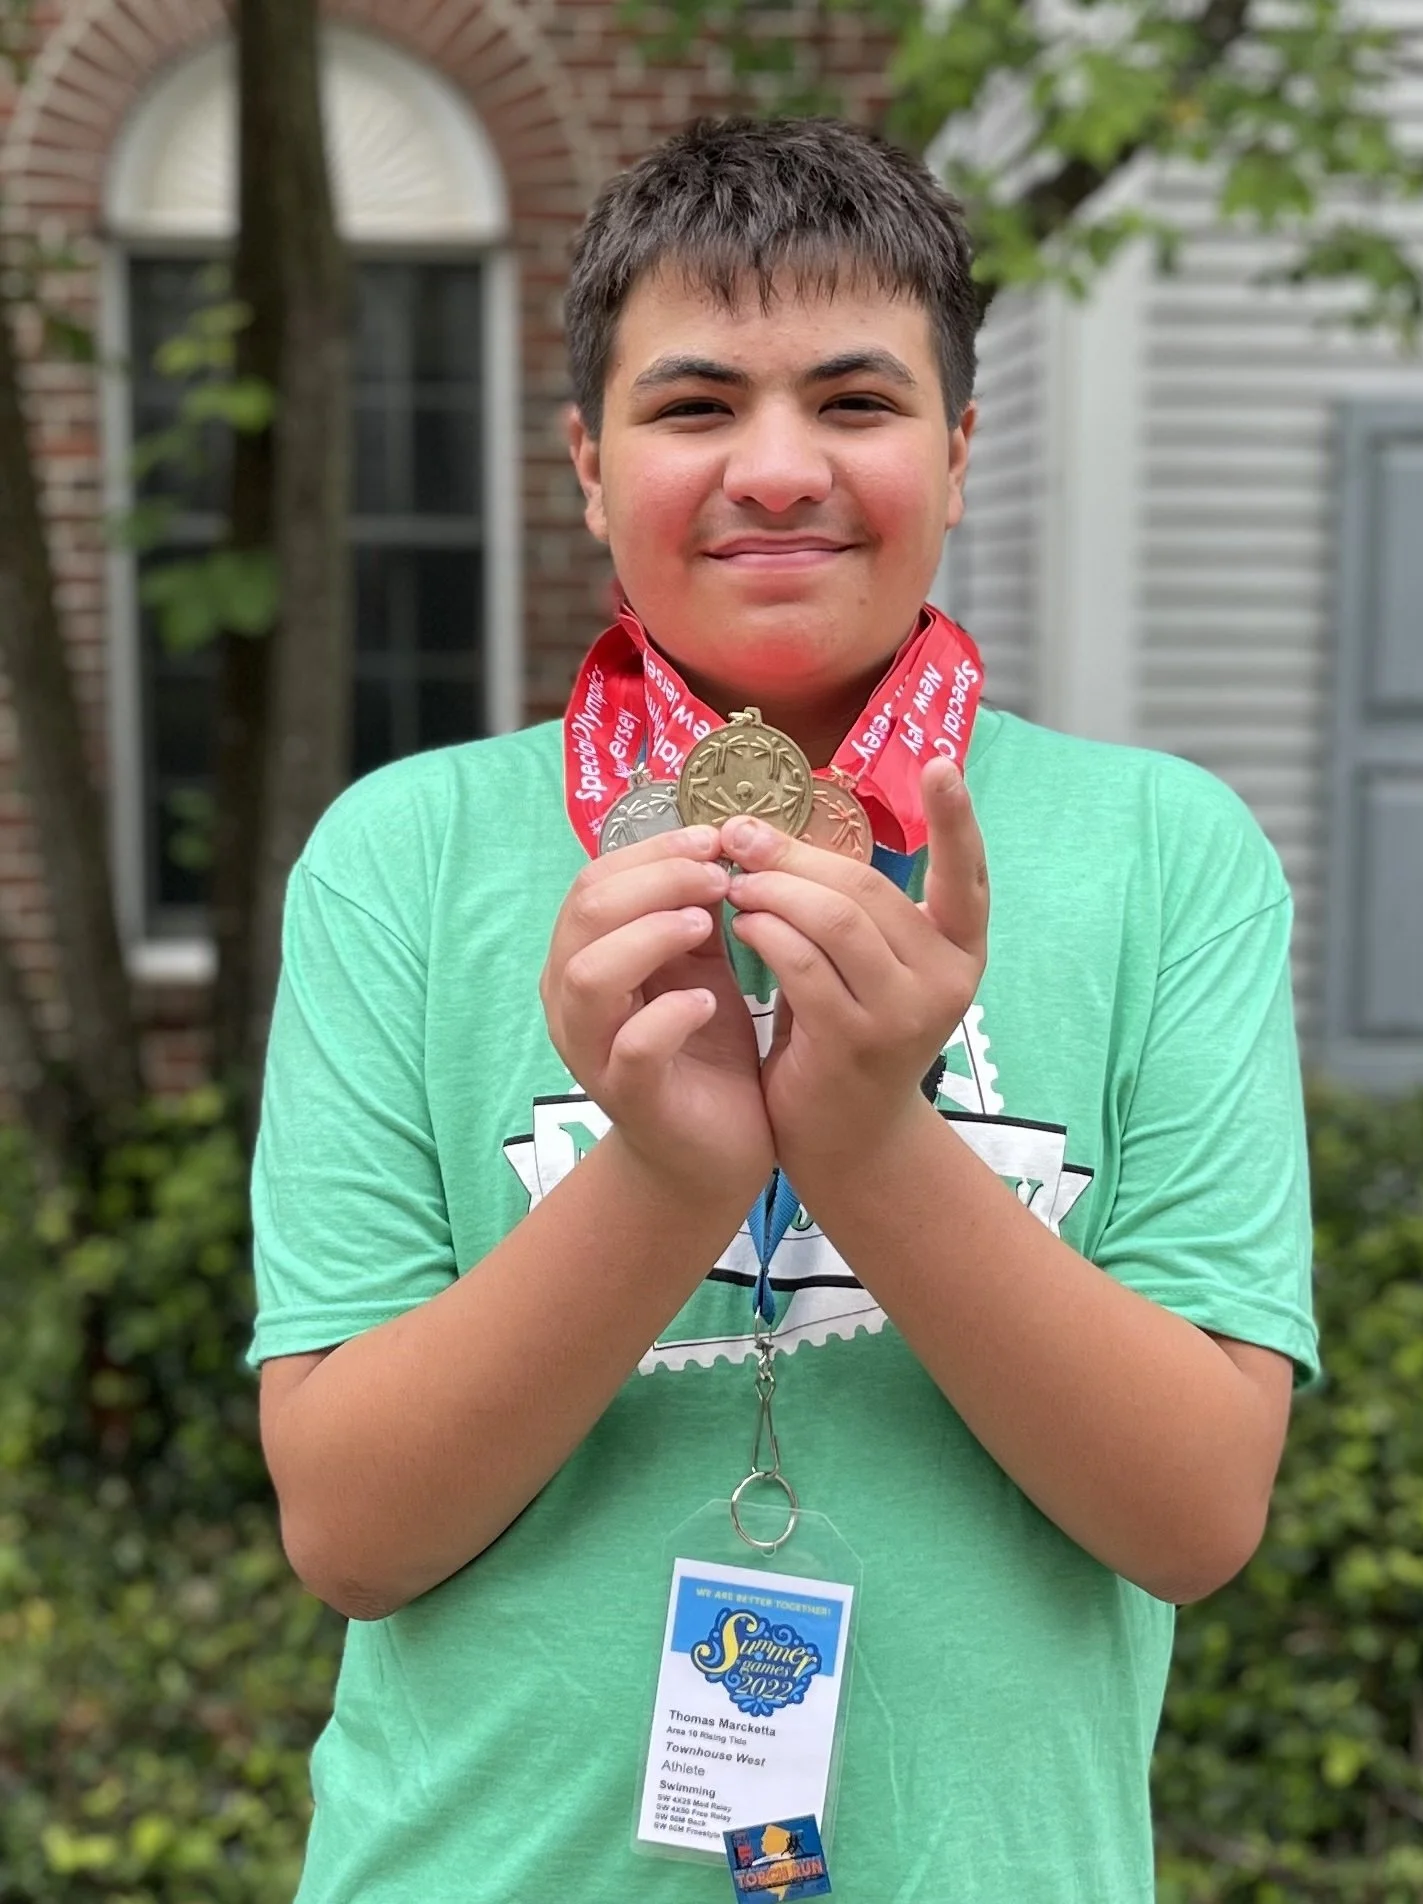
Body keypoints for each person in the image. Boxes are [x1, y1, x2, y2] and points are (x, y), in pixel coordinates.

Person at [249, 117, 1319, 1902]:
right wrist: (666, 1179)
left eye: (856, 400)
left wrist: (867, 1137)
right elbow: (352, 1531)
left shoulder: (1165, 854)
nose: (773, 468)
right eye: (689, 408)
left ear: (963, 454)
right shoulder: (405, 855)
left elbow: (1195, 1515)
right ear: (587, 466)